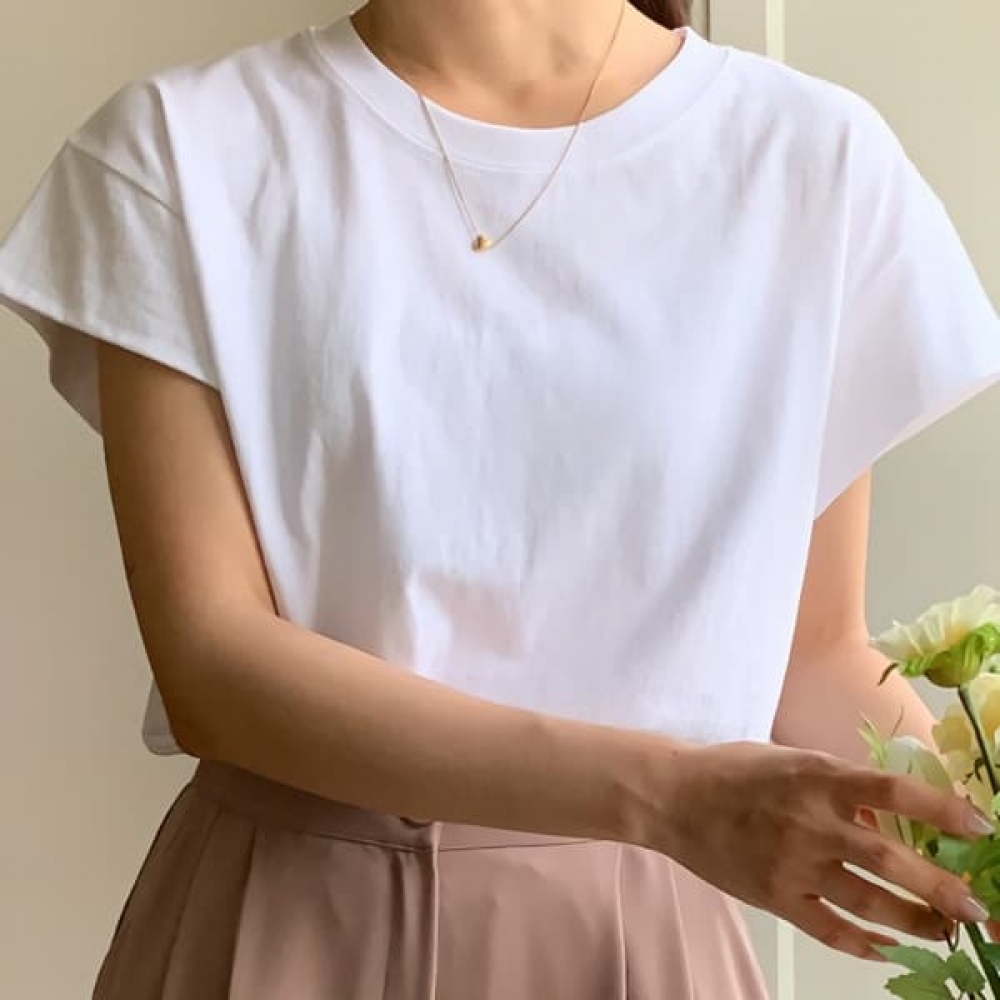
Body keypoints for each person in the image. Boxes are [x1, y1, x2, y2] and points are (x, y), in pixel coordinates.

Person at [2, 0, 1000, 996]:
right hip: (286, 926)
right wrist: (664, 795)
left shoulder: (812, 159)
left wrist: (979, 847)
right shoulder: (181, 150)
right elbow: (213, 669)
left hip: (641, 938)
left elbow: (813, 656)